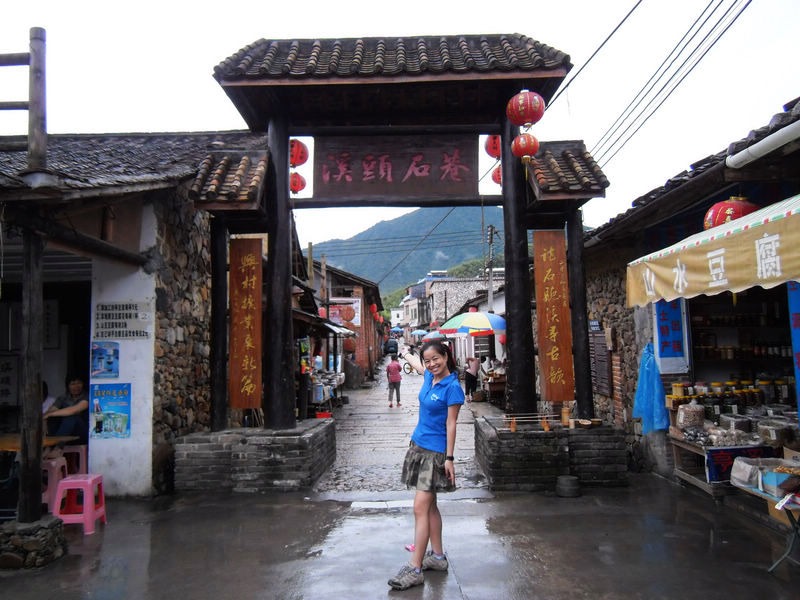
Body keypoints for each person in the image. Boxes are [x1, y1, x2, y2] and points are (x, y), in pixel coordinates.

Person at [388, 340, 464, 591]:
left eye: (436, 359)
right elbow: (417, 365)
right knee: (430, 507)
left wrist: (449, 458)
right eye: (428, 360)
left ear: (446, 356)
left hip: (435, 453)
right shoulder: (429, 377)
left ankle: (415, 568)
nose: (432, 364)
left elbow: (451, 424)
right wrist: (406, 354)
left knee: (420, 507)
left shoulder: (452, 387)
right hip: (419, 446)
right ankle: (438, 557)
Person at [44, 374, 89, 444]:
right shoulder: (63, 397)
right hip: (65, 431)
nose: (76, 386)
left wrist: (50, 414)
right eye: (73, 384)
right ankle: (50, 443)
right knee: (52, 418)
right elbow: (52, 410)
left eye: (79, 383)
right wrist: (46, 417)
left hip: (82, 431)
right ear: (68, 386)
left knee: (71, 417)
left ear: (83, 384)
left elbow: (74, 410)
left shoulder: (87, 396)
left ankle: (56, 445)